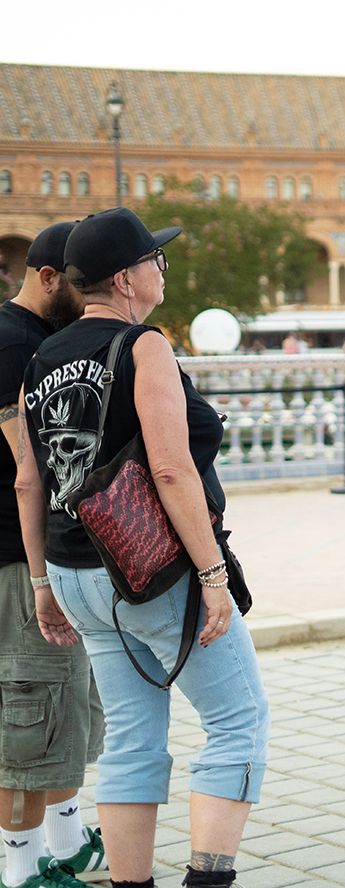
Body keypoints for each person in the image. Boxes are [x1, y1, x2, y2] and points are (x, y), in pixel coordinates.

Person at [14, 207, 270, 888]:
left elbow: (27, 481)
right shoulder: (143, 346)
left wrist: (42, 584)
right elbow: (170, 468)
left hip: (75, 573)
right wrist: (212, 573)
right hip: (151, 573)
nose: (163, 267)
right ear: (126, 279)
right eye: (155, 259)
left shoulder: (44, 355)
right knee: (239, 722)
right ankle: (208, 880)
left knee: (131, 736)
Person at [0, 223, 106, 888]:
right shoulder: (11, 344)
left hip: (47, 558)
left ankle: (65, 840)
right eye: (78, 280)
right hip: (20, 558)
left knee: (68, 708)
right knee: (30, 710)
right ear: (46, 277)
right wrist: (42, 572)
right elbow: (29, 469)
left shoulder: (39, 340)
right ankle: (18, 868)